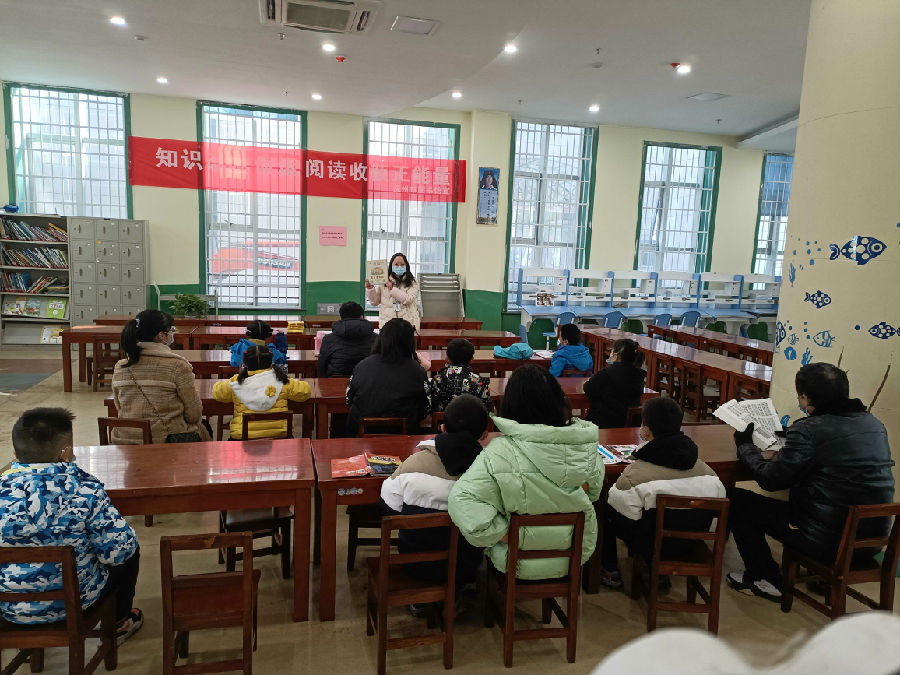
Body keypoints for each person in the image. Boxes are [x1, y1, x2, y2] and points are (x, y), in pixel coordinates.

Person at [727, 363, 895, 602]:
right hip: (871, 540)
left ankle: (765, 577)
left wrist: (745, 445)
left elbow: (769, 479)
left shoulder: (809, 430)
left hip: (827, 541)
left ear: (805, 398)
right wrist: (791, 434)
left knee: (736, 501)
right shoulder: (873, 424)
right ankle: (813, 578)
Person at [0, 408, 143, 643]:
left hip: (10, 610)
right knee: (129, 548)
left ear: (15, 451)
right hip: (78, 604)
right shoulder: (85, 490)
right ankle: (119, 622)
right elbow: (119, 552)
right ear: (66, 452)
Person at [448, 365, 604, 580]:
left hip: (514, 559)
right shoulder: (586, 450)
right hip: (572, 557)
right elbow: (593, 493)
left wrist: (505, 533)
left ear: (511, 406)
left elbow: (462, 501)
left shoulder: (500, 451)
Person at [600, 397, 725, 589]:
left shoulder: (635, 475)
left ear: (645, 430)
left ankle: (610, 569)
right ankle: (658, 572)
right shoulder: (709, 473)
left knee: (604, 510)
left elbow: (624, 510)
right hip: (691, 541)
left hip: (652, 543)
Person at [380, 394, 489, 588]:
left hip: (414, 563)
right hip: (466, 566)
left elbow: (389, 506)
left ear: (443, 428)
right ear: (484, 435)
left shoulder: (412, 465)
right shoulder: (489, 473)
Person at [112, 309, 211, 444]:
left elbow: (119, 406)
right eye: (171, 330)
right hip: (165, 441)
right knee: (204, 428)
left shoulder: (121, 366)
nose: (173, 333)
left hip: (125, 441)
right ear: (161, 336)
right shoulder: (177, 365)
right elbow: (193, 414)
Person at [346, 318, 431, 436]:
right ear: (410, 341)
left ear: (381, 338)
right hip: (405, 436)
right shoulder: (417, 370)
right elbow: (426, 407)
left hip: (362, 435)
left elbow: (349, 399)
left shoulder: (362, 365)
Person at [213, 345, 311, 440]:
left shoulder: (236, 382)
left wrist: (233, 378)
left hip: (243, 439)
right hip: (280, 437)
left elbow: (217, 392)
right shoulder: (282, 380)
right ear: (271, 363)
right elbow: (305, 391)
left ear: (244, 364)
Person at [583, 338, 646, 428]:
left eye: (612, 351)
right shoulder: (639, 375)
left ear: (616, 355)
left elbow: (587, 388)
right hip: (630, 426)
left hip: (604, 425)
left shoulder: (606, 373)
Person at [317, 301, 377, 377]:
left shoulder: (328, 339)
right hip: (367, 380)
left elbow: (322, 365)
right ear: (362, 317)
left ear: (341, 317)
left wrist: (325, 382)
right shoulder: (376, 338)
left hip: (336, 380)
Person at [429, 338, 491, 412]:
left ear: (447, 358)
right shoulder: (479, 382)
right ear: (472, 359)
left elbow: (432, 406)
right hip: (471, 418)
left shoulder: (437, 379)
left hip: (445, 418)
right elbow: (486, 408)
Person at [365, 252, 421, 330]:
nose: (399, 266)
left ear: (407, 266)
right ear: (391, 265)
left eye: (402, 264)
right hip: (387, 324)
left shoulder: (413, 281)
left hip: (408, 324)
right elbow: (375, 302)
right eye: (396, 264)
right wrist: (370, 289)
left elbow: (408, 299)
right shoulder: (384, 280)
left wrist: (392, 289)